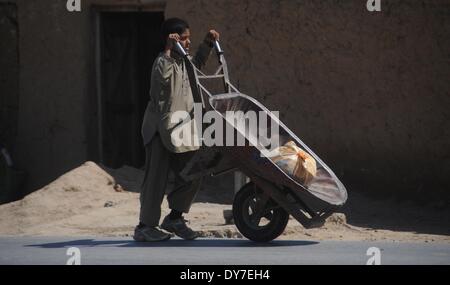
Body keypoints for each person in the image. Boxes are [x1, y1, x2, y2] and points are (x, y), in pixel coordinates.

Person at [134, 18, 220, 242]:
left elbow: (198, 63)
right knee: (156, 180)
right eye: (183, 39)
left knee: (195, 170)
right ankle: (145, 227)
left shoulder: (184, 62)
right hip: (159, 129)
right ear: (171, 40)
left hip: (180, 128)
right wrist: (168, 51)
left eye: (188, 38)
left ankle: (175, 217)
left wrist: (207, 44)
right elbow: (160, 81)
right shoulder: (162, 61)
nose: (188, 42)